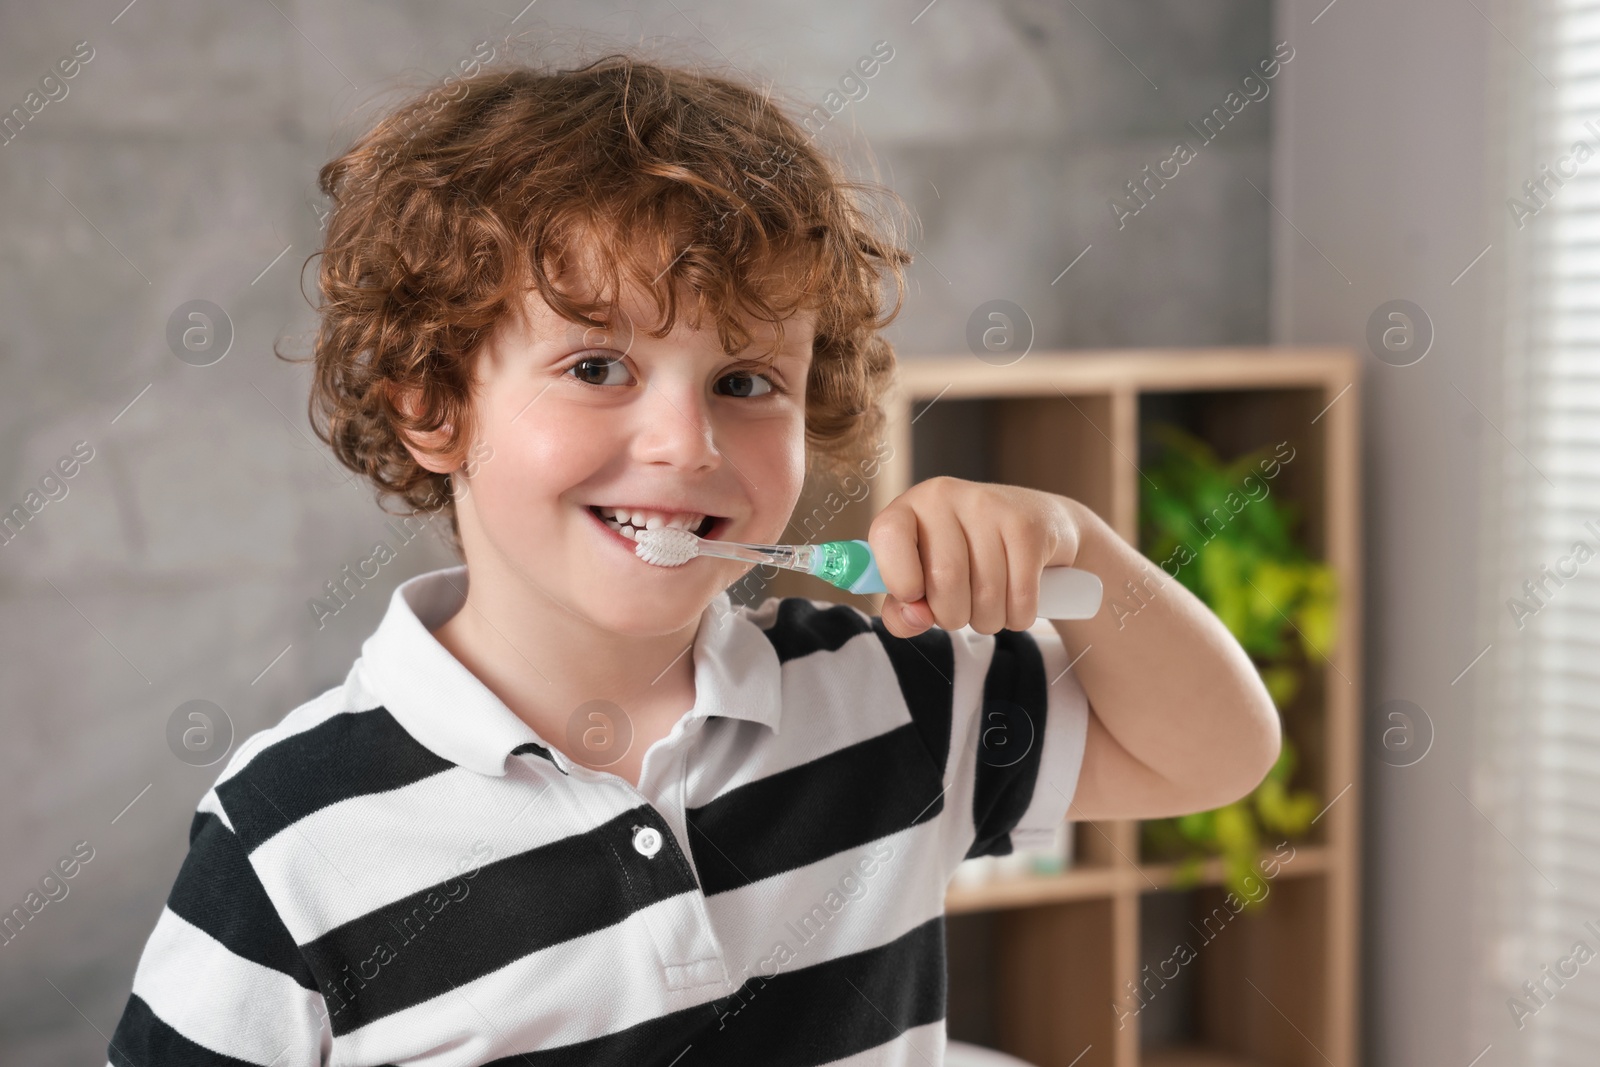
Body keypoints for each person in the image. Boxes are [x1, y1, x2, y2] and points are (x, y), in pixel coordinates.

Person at [106, 50, 1280, 1067]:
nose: (687, 441)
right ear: (432, 406)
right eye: (596, 366)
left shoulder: (888, 693)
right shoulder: (291, 836)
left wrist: (1083, 545)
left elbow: (1217, 754)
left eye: (744, 381)